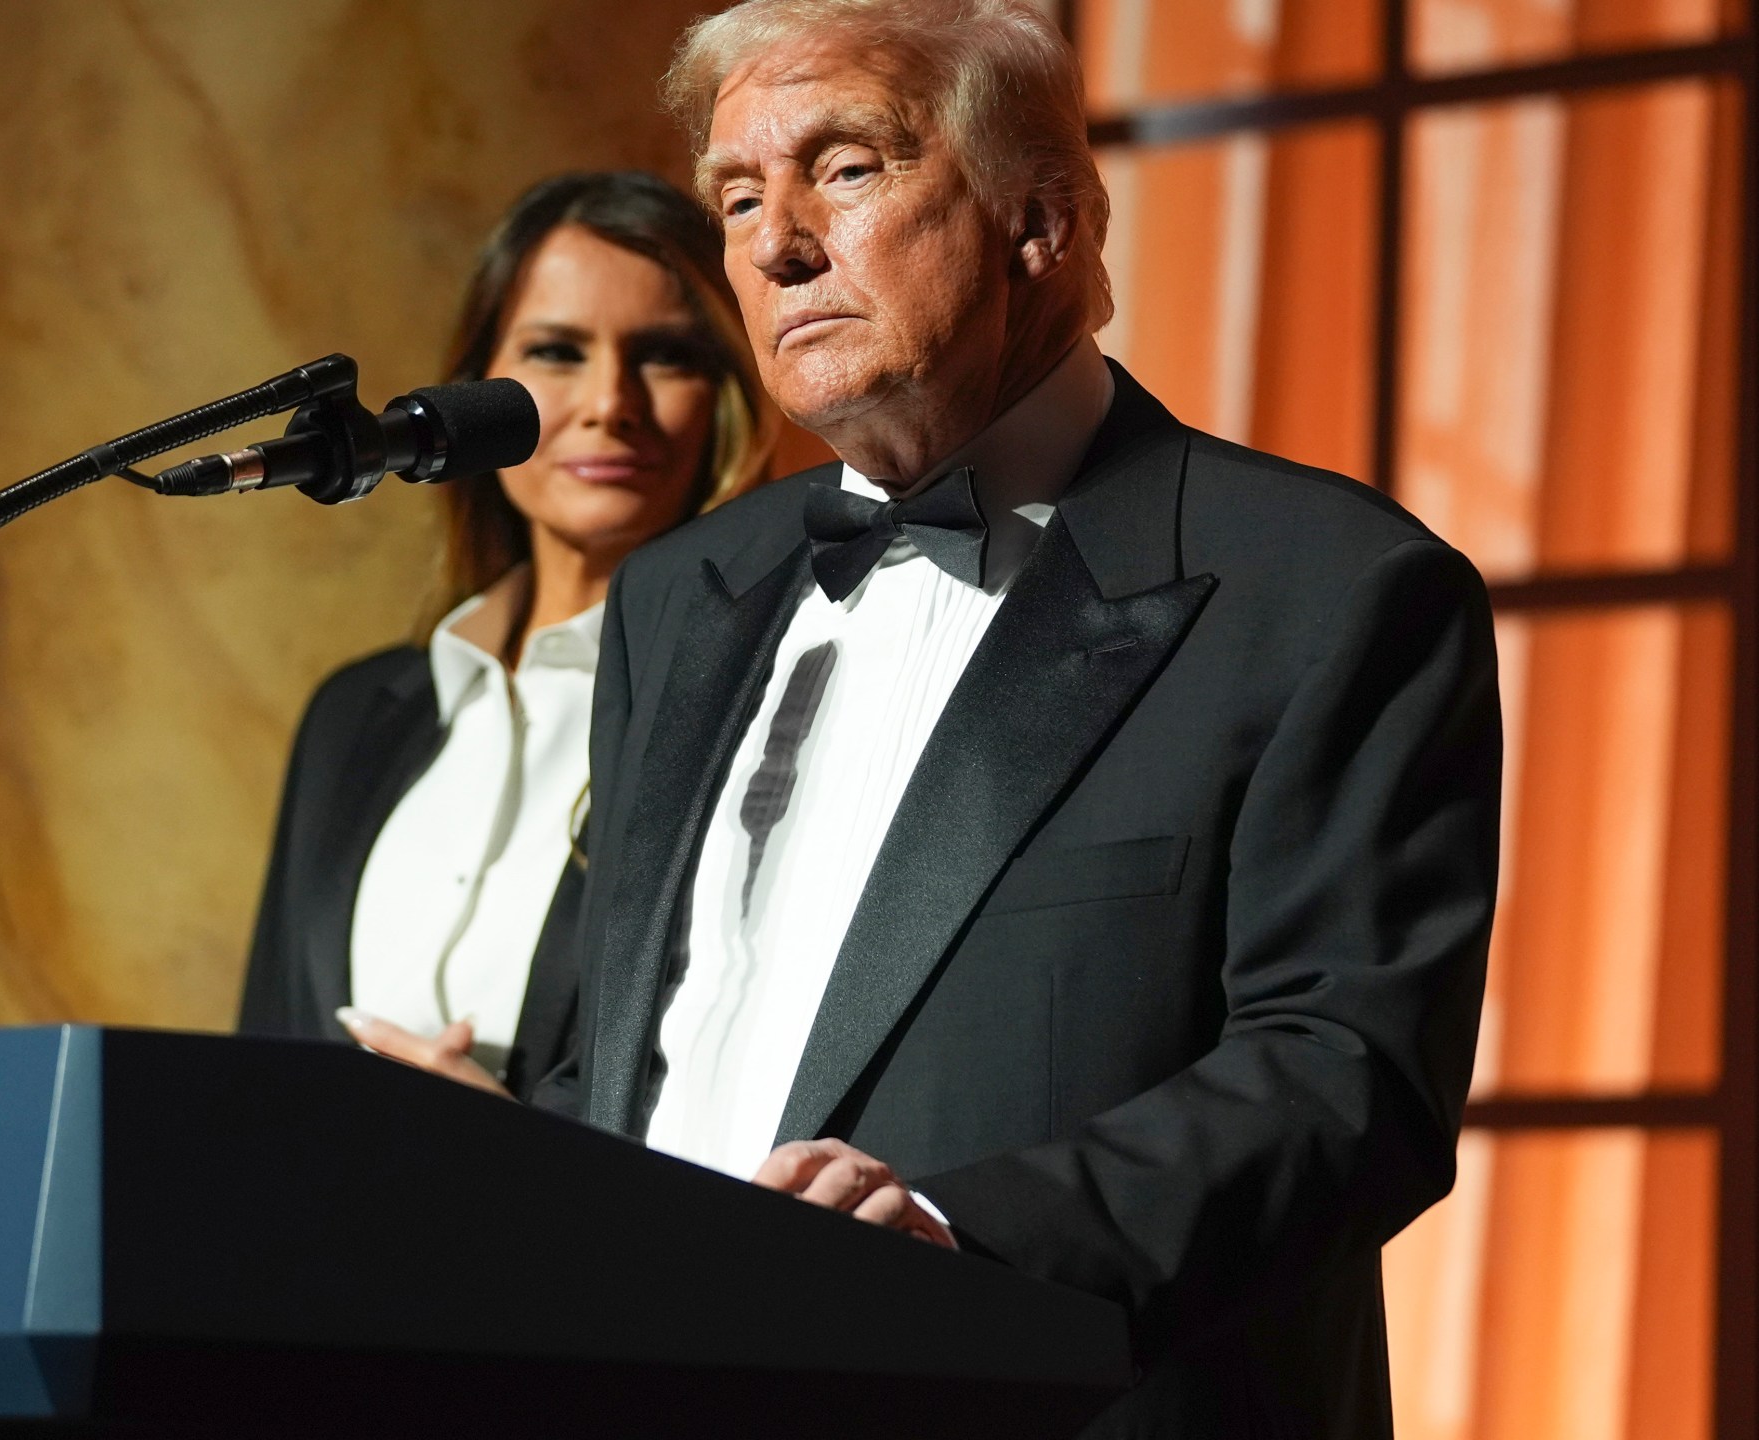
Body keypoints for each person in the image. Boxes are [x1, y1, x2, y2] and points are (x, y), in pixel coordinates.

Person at [358, 3, 1499, 1434]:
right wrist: (517, 1162)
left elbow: (1346, 1080)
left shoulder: (1330, 591)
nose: (775, 245)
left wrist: (960, 1237)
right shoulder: (680, 598)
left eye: (844, 169)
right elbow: (646, 1052)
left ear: (1047, 223)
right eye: (736, 196)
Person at [239, 171, 775, 1102]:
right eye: (557, 351)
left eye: (666, 355)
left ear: (726, 393)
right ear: (475, 394)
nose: (611, 401)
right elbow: (262, 1057)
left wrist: (512, 1151)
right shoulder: (358, 715)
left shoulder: (754, 705)